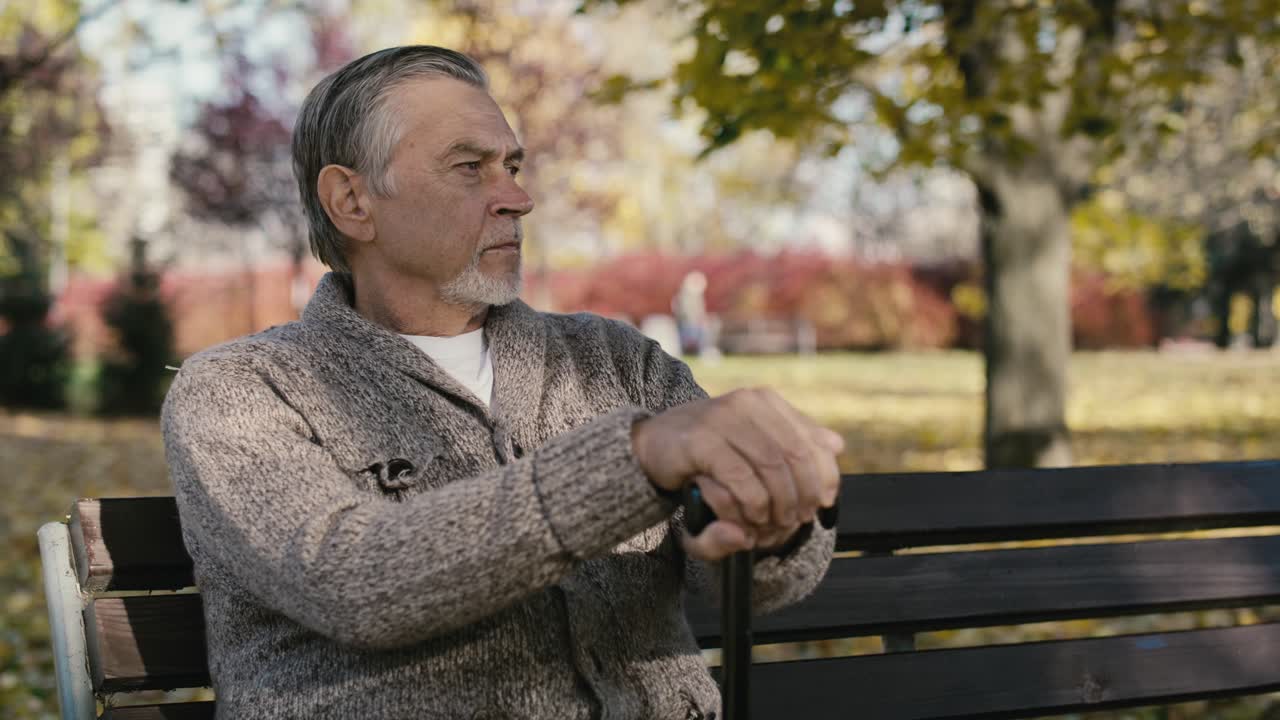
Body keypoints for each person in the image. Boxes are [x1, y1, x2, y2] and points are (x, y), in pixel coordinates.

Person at [162, 45, 843, 720]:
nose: (518, 198)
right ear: (351, 201)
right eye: (470, 168)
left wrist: (770, 527)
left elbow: (758, 578)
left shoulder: (613, 360)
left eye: (512, 166)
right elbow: (353, 580)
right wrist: (633, 461)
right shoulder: (240, 390)